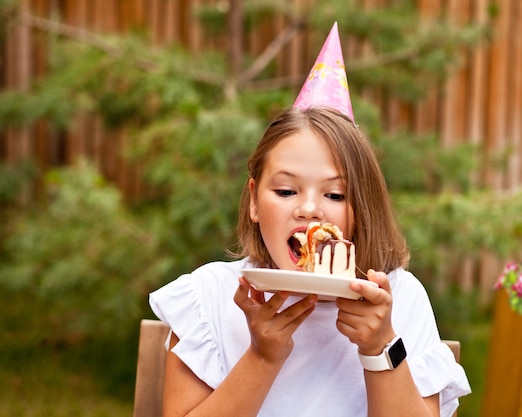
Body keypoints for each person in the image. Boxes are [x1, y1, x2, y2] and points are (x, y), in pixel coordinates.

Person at [149, 23, 470, 417]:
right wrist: (263, 358)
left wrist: (380, 346)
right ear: (253, 201)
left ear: (360, 210)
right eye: (286, 191)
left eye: (334, 195)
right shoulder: (210, 298)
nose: (309, 209)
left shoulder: (400, 300)